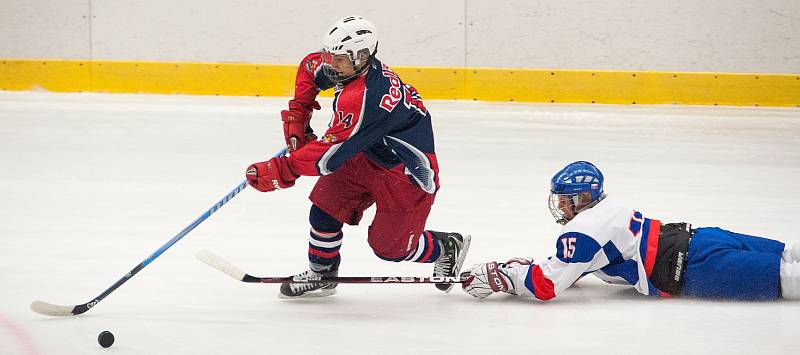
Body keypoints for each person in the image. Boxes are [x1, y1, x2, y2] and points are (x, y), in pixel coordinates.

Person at [245, 16, 470, 299]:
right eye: (330, 55)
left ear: (362, 56)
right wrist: (299, 114)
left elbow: (327, 157)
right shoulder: (348, 66)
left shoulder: (366, 96)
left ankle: (445, 247)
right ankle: (322, 274)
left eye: (337, 59)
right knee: (325, 208)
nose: (330, 64)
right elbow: (309, 66)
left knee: (390, 248)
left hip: (405, 173)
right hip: (364, 153)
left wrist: (282, 169)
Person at [460, 161, 800, 302]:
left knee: (790, 280)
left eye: (565, 201)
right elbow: (581, 263)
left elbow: (548, 285)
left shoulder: (580, 232)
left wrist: (503, 278)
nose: (561, 207)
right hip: (704, 237)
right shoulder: (608, 209)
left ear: (581, 199)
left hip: (696, 270)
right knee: (788, 254)